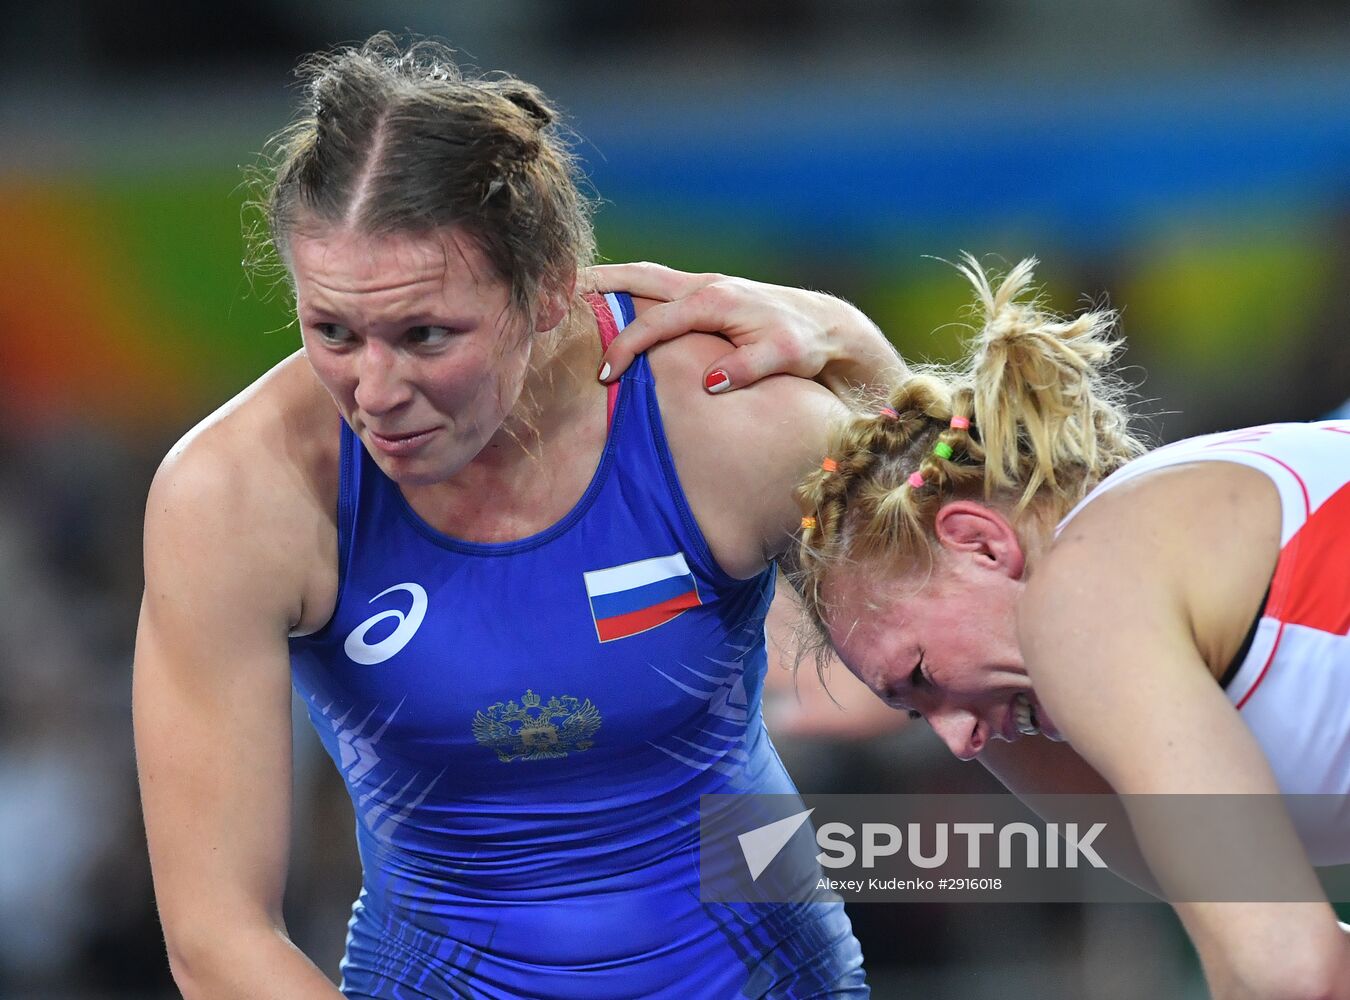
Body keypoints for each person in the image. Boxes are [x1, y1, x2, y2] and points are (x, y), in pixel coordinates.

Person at [131, 35, 905, 1000]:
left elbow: (1008, 620)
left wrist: (869, 362)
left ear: (547, 289)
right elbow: (213, 935)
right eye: (332, 331)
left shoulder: (729, 421)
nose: (374, 392)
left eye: (426, 335)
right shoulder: (236, 492)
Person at [592, 258, 1350, 999]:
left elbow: (1288, 976)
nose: (957, 741)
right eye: (917, 712)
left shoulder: (1086, 596)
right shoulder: (1171, 545)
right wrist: (855, 347)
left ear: (983, 542)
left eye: (920, 676)